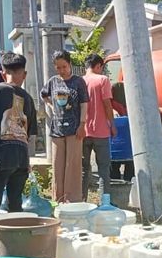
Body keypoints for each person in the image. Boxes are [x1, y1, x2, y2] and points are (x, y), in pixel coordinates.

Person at [0, 52, 38, 257]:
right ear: (24, 74)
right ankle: (14, 250)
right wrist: (27, 161)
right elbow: (29, 135)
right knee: (15, 205)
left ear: (3, 73)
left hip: (0, 156)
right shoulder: (28, 99)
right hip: (20, 158)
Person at [41, 50, 88, 202]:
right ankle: (58, 200)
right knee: (57, 165)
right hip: (57, 129)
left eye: (64, 66)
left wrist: (82, 124)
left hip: (75, 128)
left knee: (73, 165)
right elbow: (44, 94)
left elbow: (84, 104)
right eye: (58, 67)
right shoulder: (53, 81)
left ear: (70, 64)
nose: (62, 70)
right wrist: (52, 107)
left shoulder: (79, 81)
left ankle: (73, 200)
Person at [81, 53, 116, 201]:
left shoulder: (79, 81)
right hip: (101, 131)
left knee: (83, 170)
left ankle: (81, 201)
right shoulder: (103, 80)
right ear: (98, 66)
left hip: (82, 132)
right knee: (103, 170)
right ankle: (105, 203)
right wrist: (112, 124)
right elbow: (107, 105)